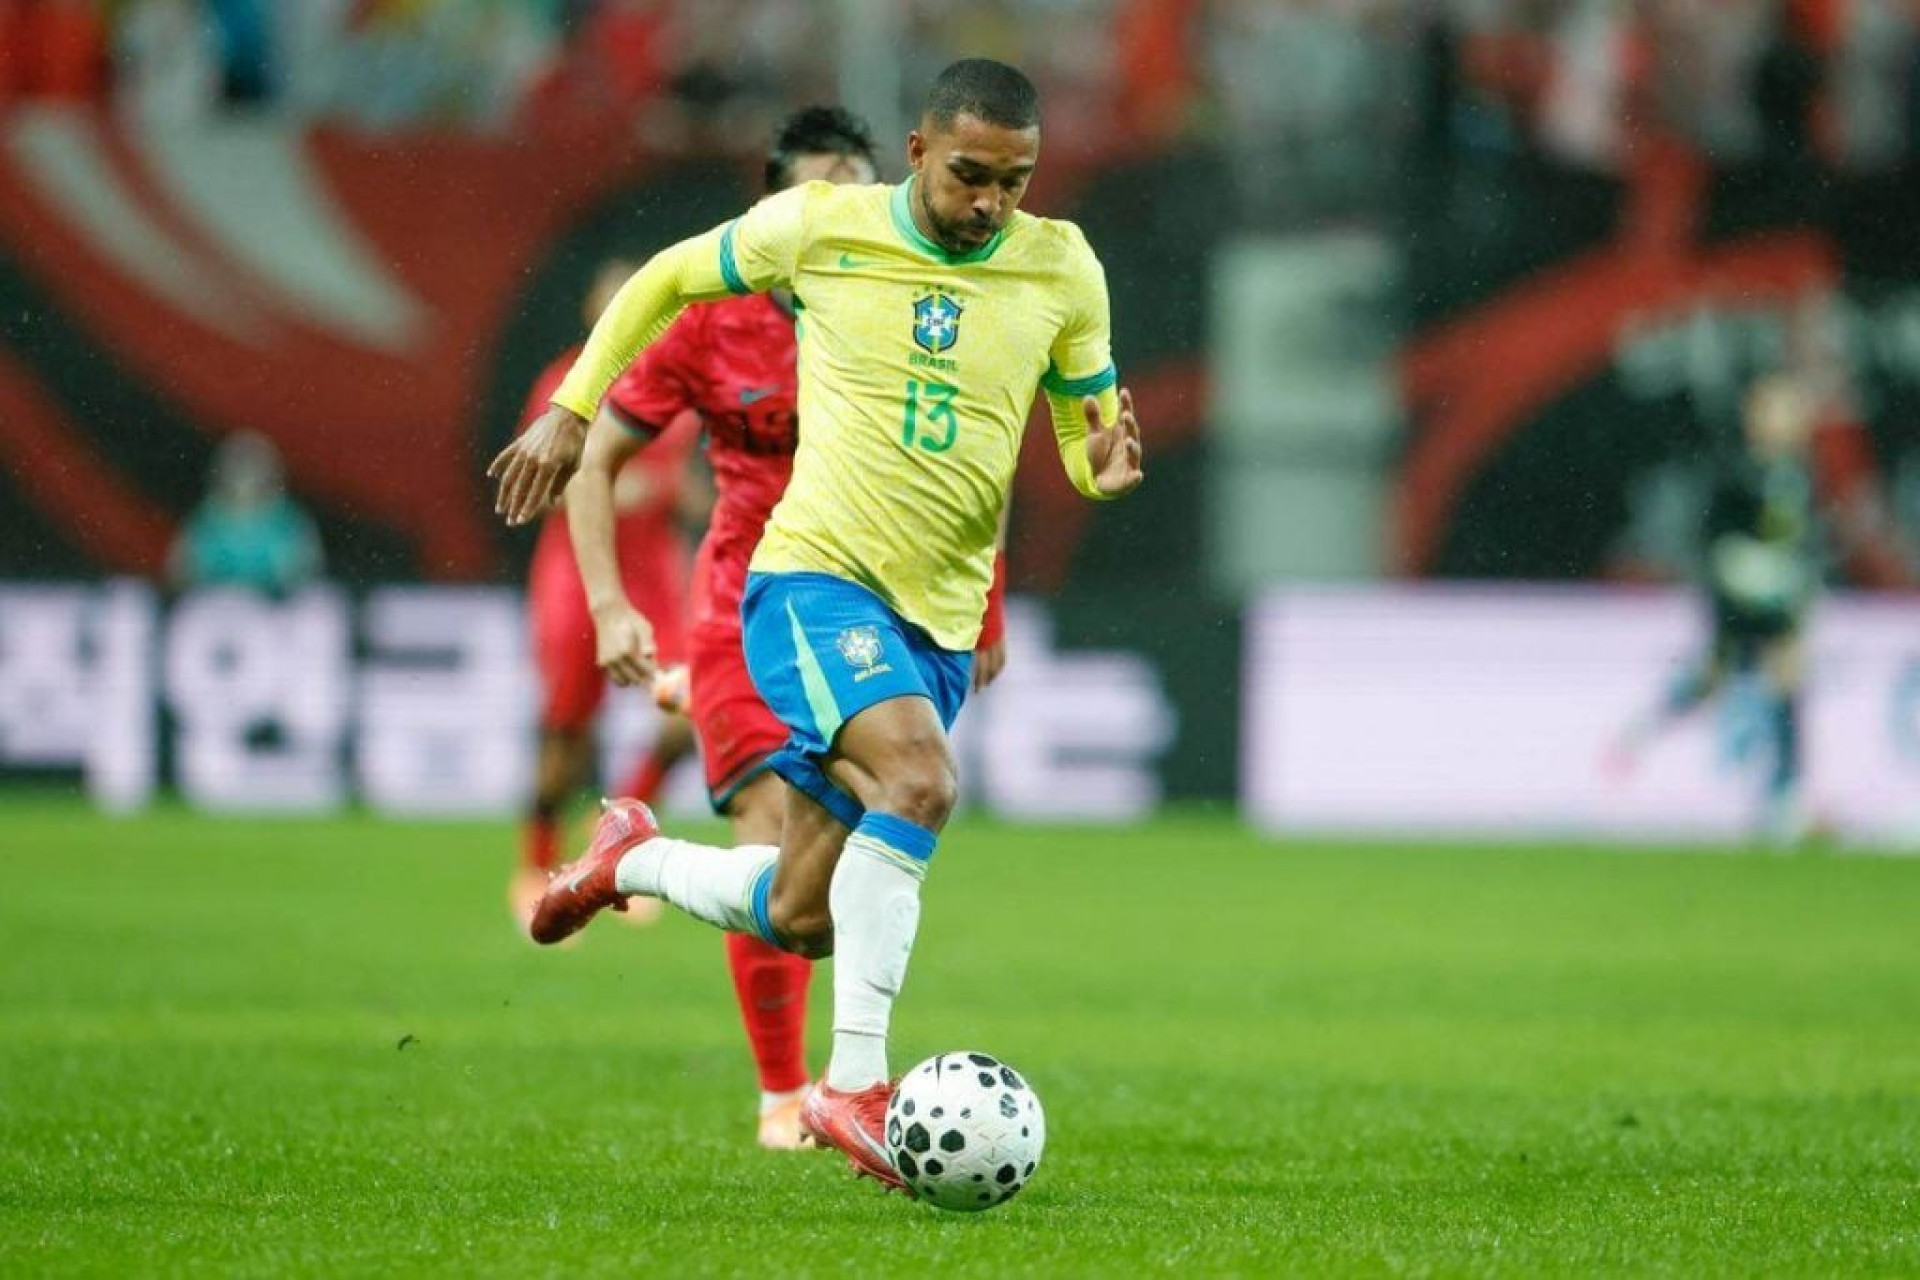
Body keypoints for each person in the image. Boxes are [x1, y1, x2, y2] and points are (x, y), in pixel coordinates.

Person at [489, 58, 1144, 1190]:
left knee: (802, 910)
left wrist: (1103, 470)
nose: (993, 202)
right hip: (811, 582)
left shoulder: (1063, 264)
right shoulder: (817, 230)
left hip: (931, 621)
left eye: (1017, 181)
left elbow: (1087, 442)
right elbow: (662, 279)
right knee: (924, 782)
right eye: (973, 176)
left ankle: (630, 857)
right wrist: (569, 408)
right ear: (921, 152)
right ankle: (844, 1087)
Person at [512, 262, 703, 929]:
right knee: (568, 733)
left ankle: (622, 845)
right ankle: (538, 870)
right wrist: (607, 493)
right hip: (577, 573)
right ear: (595, 308)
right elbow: (536, 486)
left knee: (687, 714)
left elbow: (688, 477)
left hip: (656, 576)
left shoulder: (673, 381)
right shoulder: (562, 384)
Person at [1610, 374, 1819, 843]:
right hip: (1737, 595)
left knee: (1786, 678)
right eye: (1779, 410)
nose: (1791, 421)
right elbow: (1713, 540)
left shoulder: (1799, 474)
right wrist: (1747, 570)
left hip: (1779, 598)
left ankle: (1786, 797)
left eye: (1795, 411)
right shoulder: (1736, 470)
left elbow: (1802, 542)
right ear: (1755, 417)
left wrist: (1797, 588)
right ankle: (1644, 731)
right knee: (1716, 677)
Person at [168, 430, 323, 594]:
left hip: (273, 609)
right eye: (238, 468)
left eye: (254, 469)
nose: (246, 478)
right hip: (217, 604)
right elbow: (181, 573)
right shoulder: (206, 518)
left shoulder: (289, 520)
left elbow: (306, 575)